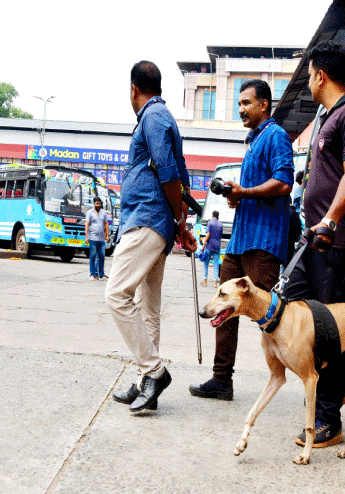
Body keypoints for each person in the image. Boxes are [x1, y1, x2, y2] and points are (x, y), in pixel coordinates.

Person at [284, 40, 345, 449]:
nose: (308, 81)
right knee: (293, 305)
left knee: (328, 331)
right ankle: (341, 384)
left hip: (334, 243)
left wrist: (331, 220)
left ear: (320, 74)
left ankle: (328, 421)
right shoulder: (328, 116)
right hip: (312, 239)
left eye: (310, 73)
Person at [189, 79, 293, 401]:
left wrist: (245, 192)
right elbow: (259, 190)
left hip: (263, 245)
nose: (241, 110)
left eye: (246, 103)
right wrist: (239, 197)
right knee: (225, 307)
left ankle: (313, 372)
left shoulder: (276, 136)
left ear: (264, 104)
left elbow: (284, 183)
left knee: (273, 318)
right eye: (239, 104)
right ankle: (222, 380)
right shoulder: (254, 140)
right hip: (239, 244)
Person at [106, 60, 197, 413]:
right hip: (157, 221)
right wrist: (179, 224)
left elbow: (171, 173)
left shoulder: (153, 117)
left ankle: (154, 372)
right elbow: (182, 175)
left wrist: (177, 218)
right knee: (148, 306)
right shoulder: (162, 117)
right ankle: (148, 381)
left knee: (116, 293)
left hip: (147, 219)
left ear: (133, 89)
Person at [85, 196, 109, 281]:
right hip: (93, 238)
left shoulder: (103, 212)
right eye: (97, 203)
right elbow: (87, 224)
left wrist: (107, 235)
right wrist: (86, 237)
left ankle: (101, 274)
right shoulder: (90, 212)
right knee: (93, 256)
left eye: (100, 203)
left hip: (101, 238)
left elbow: (106, 224)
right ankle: (92, 274)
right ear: (94, 204)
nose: (98, 205)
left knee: (102, 256)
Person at [199, 210, 223, 287]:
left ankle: (205, 281)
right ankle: (215, 282)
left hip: (209, 246)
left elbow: (208, 234)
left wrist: (203, 245)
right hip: (217, 247)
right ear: (218, 216)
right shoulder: (220, 224)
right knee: (216, 264)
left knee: (206, 263)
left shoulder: (210, 222)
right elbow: (220, 236)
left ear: (212, 215)